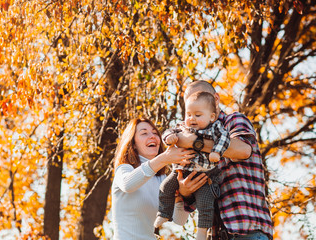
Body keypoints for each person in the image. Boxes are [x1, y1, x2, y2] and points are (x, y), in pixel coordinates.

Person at [176, 80, 273, 239]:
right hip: (216, 235)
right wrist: (185, 191)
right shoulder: (191, 138)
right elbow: (195, 200)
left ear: (216, 99)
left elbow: (242, 150)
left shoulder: (233, 121)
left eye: (202, 97)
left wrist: (195, 142)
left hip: (248, 233)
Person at [111, 118, 208, 240]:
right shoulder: (124, 169)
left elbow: (179, 220)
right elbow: (127, 185)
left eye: (155, 133)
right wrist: (164, 158)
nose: (152, 136)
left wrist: (184, 195)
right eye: (144, 133)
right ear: (133, 144)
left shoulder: (162, 179)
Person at [154, 91, 230, 240]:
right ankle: (163, 213)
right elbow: (169, 131)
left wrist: (216, 151)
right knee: (164, 188)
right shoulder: (183, 127)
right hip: (182, 170)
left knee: (205, 203)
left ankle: (202, 231)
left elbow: (225, 139)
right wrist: (169, 137)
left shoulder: (215, 128)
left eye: (198, 115)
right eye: (189, 114)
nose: (192, 119)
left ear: (212, 117)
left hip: (205, 174)